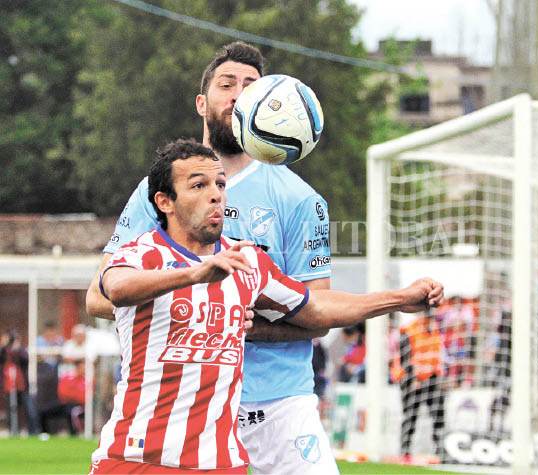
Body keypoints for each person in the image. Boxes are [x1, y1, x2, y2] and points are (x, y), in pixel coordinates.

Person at [89, 138, 443, 473]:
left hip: (217, 463)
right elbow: (116, 288)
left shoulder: (246, 261)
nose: (215, 195)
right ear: (165, 201)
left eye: (220, 184)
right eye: (199, 185)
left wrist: (400, 299)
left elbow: (317, 310)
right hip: (135, 458)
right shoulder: (140, 253)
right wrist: (195, 274)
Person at [85, 41, 340, 473]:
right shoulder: (157, 190)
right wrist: (203, 313)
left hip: (277, 401)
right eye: (227, 84)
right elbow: (97, 298)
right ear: (202, 103)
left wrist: (247, 327)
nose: (238, 95)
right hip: (179, 408)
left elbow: (321, 312)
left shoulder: (300, 199)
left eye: (251, 86)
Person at [390, 313, 446, 462]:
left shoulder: (434, 330)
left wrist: (439, 376)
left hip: (431, 378)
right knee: (410, 416)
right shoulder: (408, 330)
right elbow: (405, 358)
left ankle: (440, 450)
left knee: (438, 414)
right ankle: (405, 451)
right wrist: (413, 378)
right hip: (411, 380)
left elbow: (436, 355)